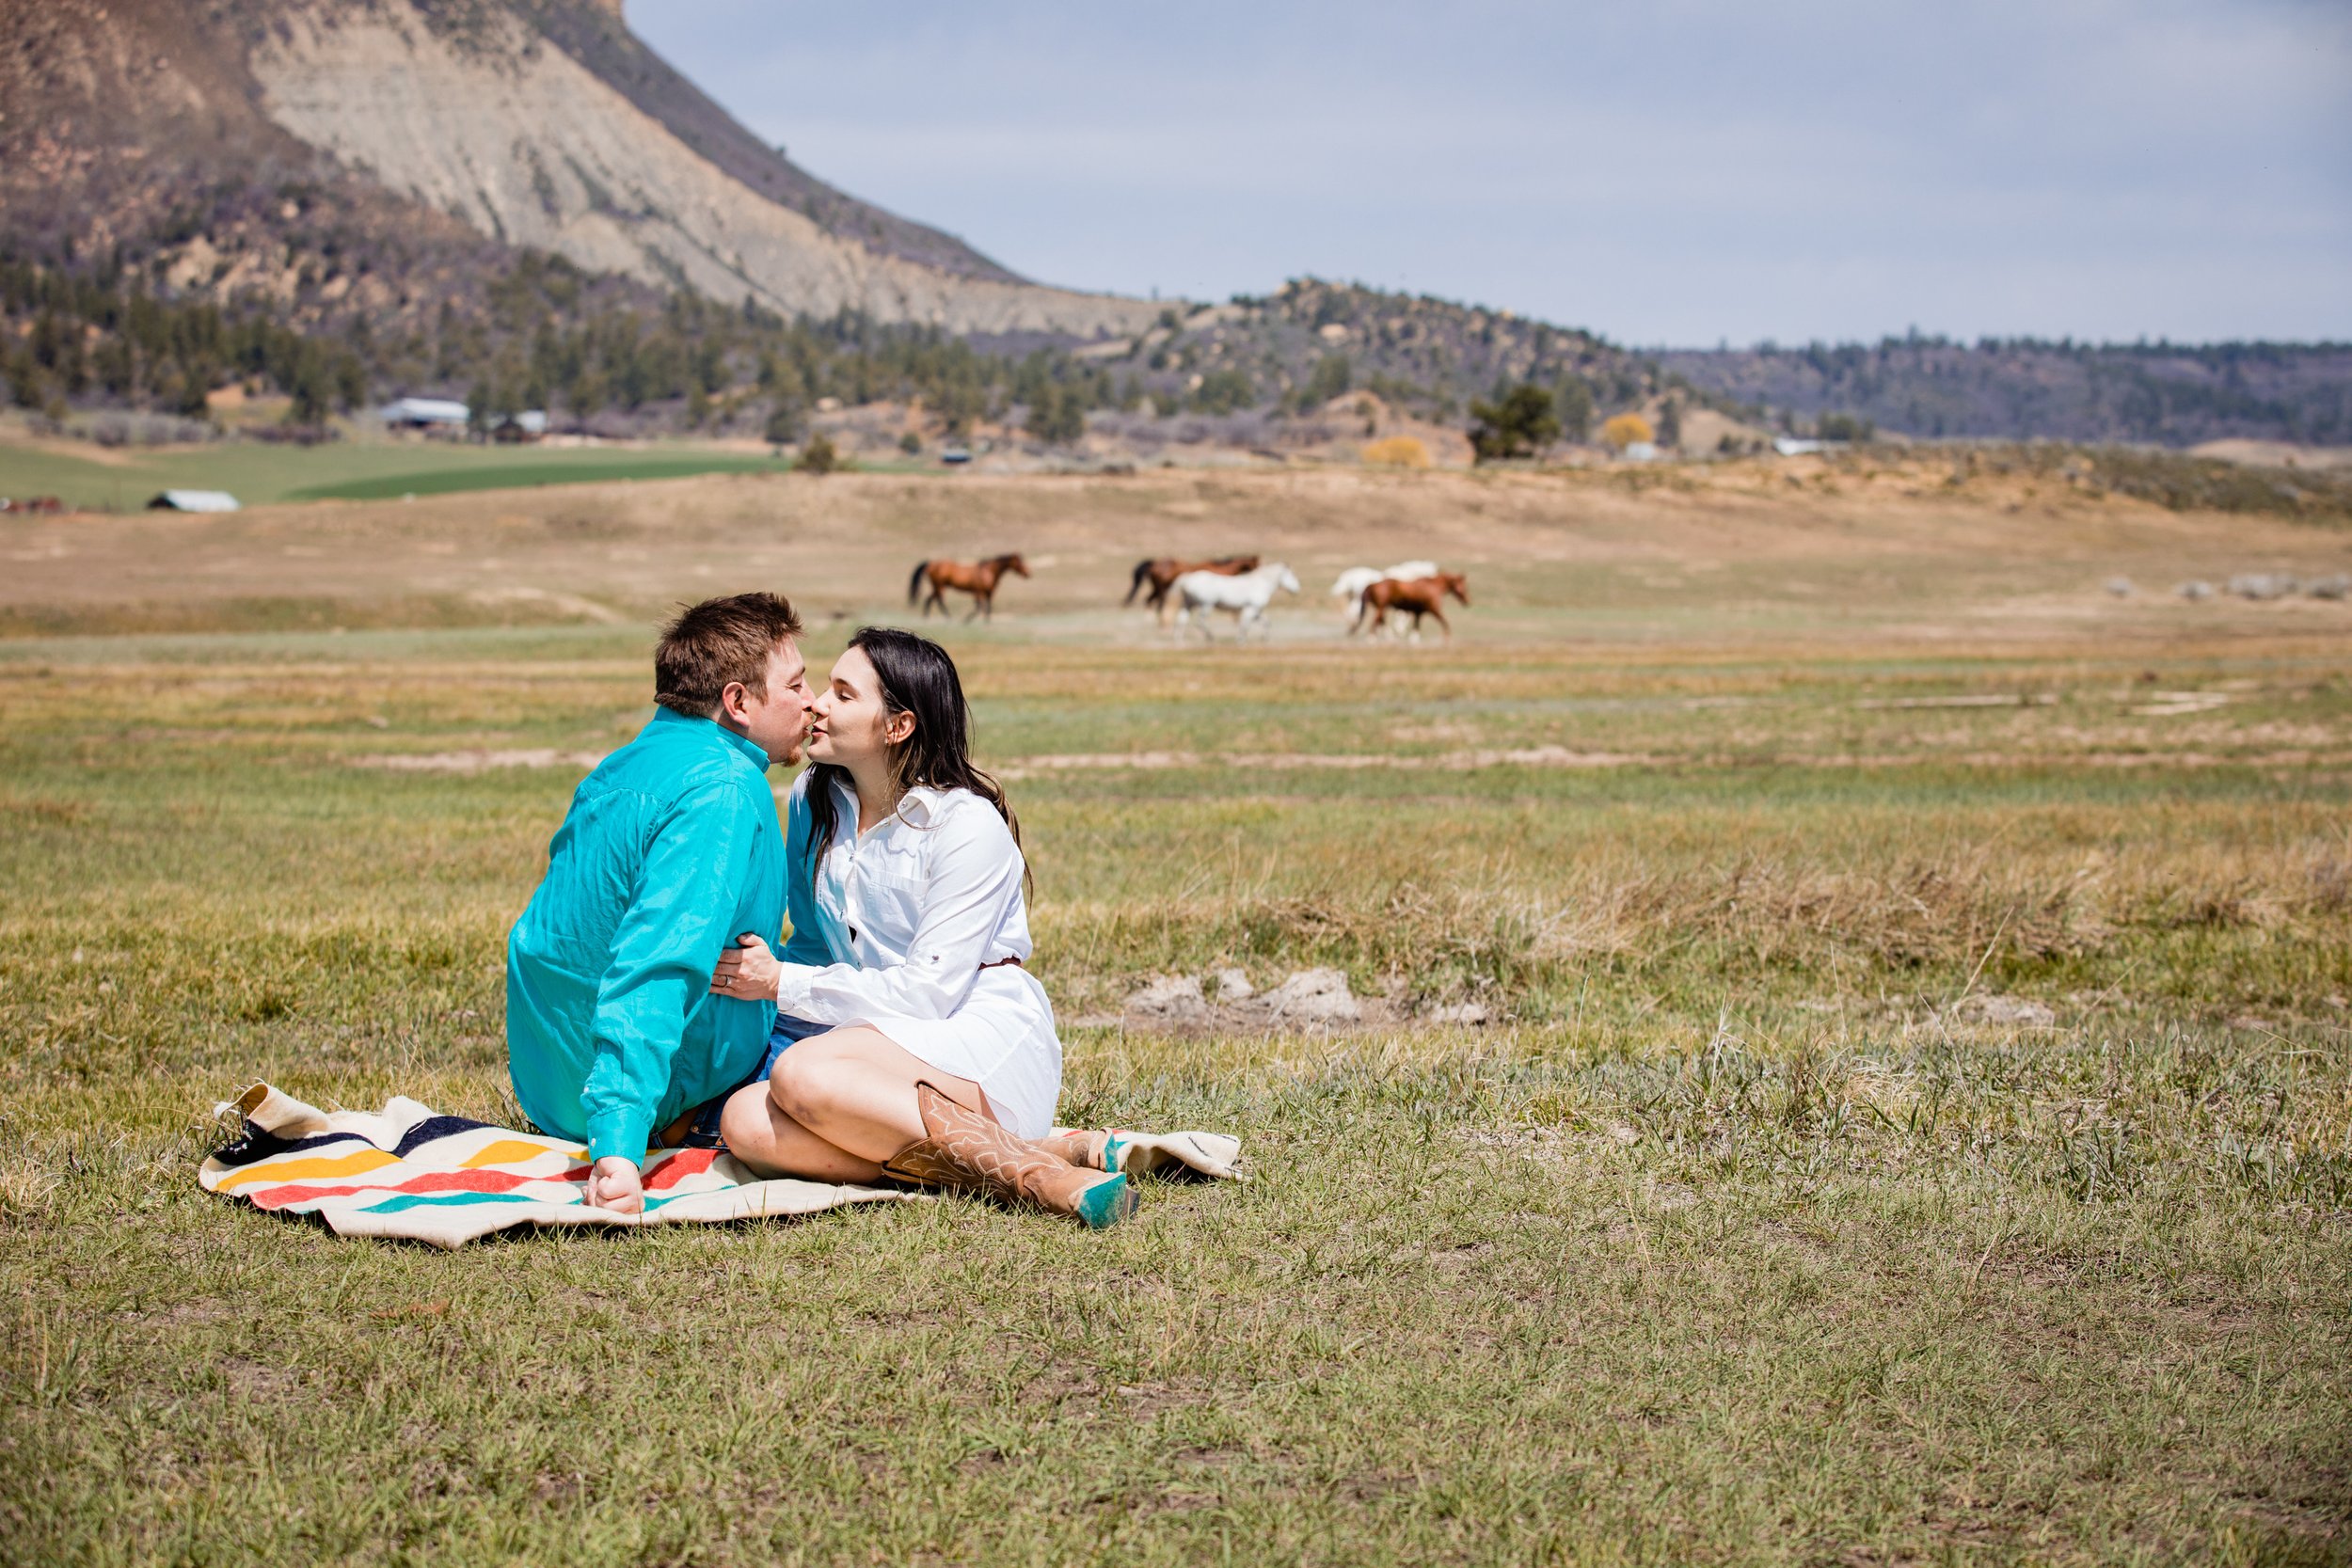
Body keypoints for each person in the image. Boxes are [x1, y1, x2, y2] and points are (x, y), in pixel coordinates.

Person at [710, 626, 1136, 1228]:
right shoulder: (813, 796)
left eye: (843, 694)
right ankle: (1025, 1155)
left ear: (898, 726)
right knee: (747, 1122)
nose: (818, 706)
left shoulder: (967, 826)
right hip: (868, 1039)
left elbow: (927, 996)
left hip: (971, 1032)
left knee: (803, 1074)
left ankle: (1037, 1177)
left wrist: (780, 983)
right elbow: (812, 942)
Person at [505, 592, 813, 1214]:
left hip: (553, 1084)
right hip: (651, 1098)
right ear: (738, 701)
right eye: (797, 684)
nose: (812, 701)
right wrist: (618, 1145)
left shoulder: (618, 766)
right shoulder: (724, 786)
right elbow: (658, 957)